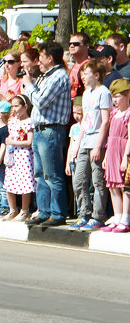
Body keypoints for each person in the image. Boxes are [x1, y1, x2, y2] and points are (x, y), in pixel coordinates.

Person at [25, 43, 72, 226]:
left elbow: (41, 101)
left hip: (51, 130)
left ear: (50, 58)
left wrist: (29, 85)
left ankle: (58, 213)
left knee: (52, 174)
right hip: (39, 129)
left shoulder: (58, 76)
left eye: (42, 57)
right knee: (40, 174)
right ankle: (43, 211)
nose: (39, 61)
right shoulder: (47, 76)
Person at [69, 60, 111, 229]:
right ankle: (83, 213)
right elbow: (85, 121)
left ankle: (98, 216)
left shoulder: (103, 92)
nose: (83, 77)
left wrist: (98, 145)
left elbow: (105, 121)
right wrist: (76, 146)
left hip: (97, 142)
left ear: (96, 75)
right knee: (79, 180)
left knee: (97, 181)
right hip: (85, 140)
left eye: (86, 74)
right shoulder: (86, 94)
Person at [2, 94, 36, 221]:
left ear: (25, 107)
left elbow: (28, 142)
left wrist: (12, 142)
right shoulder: (12, 122)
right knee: (9, 182)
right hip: (12, 155)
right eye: (12, 106)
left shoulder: (29, 122)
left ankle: (25, 210)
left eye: (17, 106)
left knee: (24, 183)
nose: (14, 109)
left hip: (24, 155)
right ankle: (12, 209)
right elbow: (9, 138)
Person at [102, 79, 130, 232]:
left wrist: (126, 157)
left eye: (118, 96)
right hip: (112, 151)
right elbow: (110, 136)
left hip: (123, 151)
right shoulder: (114, 114)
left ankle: (126, 218)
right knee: (113, 186)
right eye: (113, 97)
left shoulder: (128, 114)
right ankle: (117, 216)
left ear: (127, 95)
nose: (115, 100)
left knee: (124, 186)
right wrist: (106, 156)